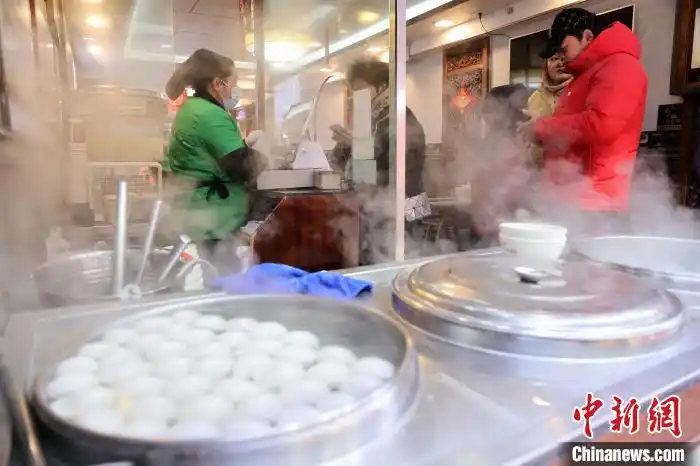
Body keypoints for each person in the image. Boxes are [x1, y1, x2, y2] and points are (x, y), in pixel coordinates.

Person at [523, 8, 648, 230]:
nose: (560, 56)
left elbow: (601, 124)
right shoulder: (585, 75)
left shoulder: (620, 65)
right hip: (573, 196)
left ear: (587, 36)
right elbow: (573, 130)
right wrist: (540, 132)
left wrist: (542, 127)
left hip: (594, 200)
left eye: (563, 48)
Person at [163, 48, 265, 272]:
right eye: (234, 83)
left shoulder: (192, 108)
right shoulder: (209, 114)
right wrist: (264, 157)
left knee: (212, 274)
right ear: (217, 84)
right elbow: (241, 167)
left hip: (200, 213)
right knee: (225, 280)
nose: (236, 89)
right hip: (214, 219)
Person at [329, 59, 430, 262]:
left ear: (381, 87)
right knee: (378, 257)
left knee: (405, 259)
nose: (355, 96)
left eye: (360, 88)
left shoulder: (399, 117)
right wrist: (344, 146)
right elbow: (357, 165)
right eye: (353, 90)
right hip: (380, 205)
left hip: (406, 203)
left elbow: (398, 163)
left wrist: (355, 144)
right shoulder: (370, 118)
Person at [471, 84, 531, 246]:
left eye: (491, 109)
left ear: (506, 110)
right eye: (486, 110)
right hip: (491, 214)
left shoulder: (514, 138)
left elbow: (512, 180)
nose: (486, 115)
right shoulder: (494, 137)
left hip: (505, 215)